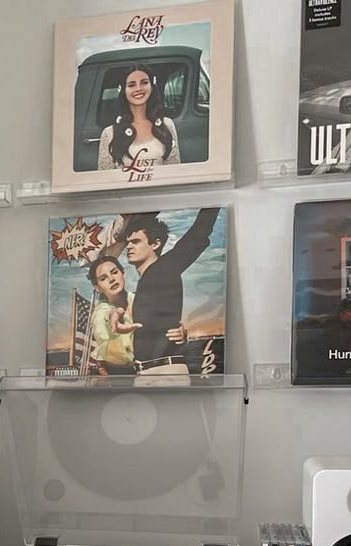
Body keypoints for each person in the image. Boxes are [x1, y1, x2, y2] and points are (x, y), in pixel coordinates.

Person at [115, 209, 220, 374]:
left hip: (162, 370)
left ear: (155, 244)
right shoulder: (147, 280)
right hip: (150, 370)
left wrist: (214, 199)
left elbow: (199, 233)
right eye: (128, 242)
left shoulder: (165, 267)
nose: (128, 246)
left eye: (135, 241)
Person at [86, 255, 186, 374]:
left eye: (114, 272)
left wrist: (181, 333)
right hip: (122, 375)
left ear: (123, 274)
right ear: (97, 288)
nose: (111, 279)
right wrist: (114, 314)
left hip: (157, 369)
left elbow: (163, 328)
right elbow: (106, 315)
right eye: (103, 278)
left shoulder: (142, 300)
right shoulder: (100, 312)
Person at [98, 64, 180, 172]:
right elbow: (105, 180)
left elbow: (175, 172)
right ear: (123, 90)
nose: (138, 89)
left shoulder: (167, 125)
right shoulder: (109, 133)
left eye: (144, 82)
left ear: (151, 86)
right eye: (131, 85)